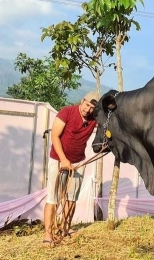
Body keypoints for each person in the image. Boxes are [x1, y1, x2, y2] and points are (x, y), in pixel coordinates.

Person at [43, 91, 99, 247]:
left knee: (71, 198)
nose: (88, 110)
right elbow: (54, 136)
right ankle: (48, 233)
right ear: (82, 101)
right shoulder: (67, 112)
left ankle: (65, 228)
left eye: (92, 108)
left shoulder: (94, 119)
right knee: (52, 198)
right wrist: (63, 159)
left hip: (78, 163)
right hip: (58, 160)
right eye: (87, 105)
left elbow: (108, 125)